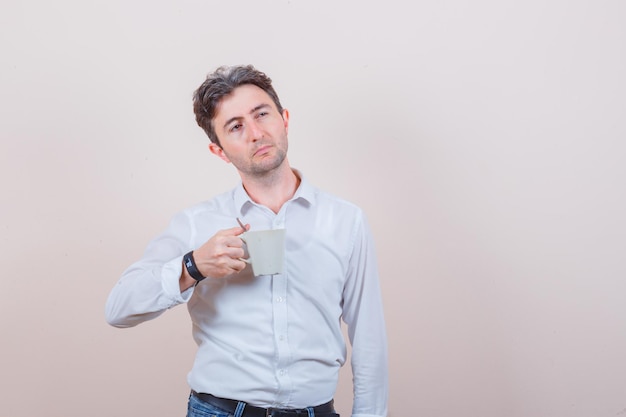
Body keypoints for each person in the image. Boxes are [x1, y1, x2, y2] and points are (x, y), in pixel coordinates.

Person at [105, 65, 388, 417]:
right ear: (219, 151)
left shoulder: (345, 220)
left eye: (262, 114)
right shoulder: (197, 223)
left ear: (284, 119)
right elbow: (117, 310)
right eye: (236, 126)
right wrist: (193, 266)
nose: (256, 133)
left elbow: (369, 339)